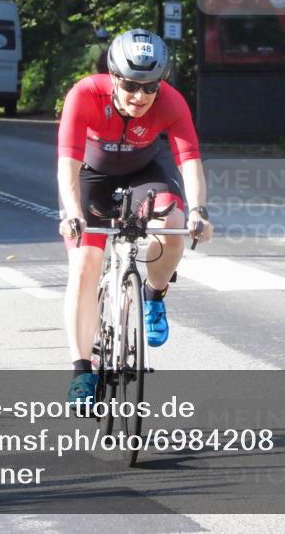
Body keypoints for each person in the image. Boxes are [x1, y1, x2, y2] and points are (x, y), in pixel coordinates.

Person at [56, 29, 214, 409]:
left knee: (170, 224)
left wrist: (198, 212)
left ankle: (154, 294)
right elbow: (68, 164)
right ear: (113, 77)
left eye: (150, 87)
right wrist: (74, 213)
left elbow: (189, 160)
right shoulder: (84, 95)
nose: (140, 96)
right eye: (130, 85)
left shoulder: (171, 103)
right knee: (84, 266)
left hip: (145, 171)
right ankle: (82, 372)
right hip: (92, 175)